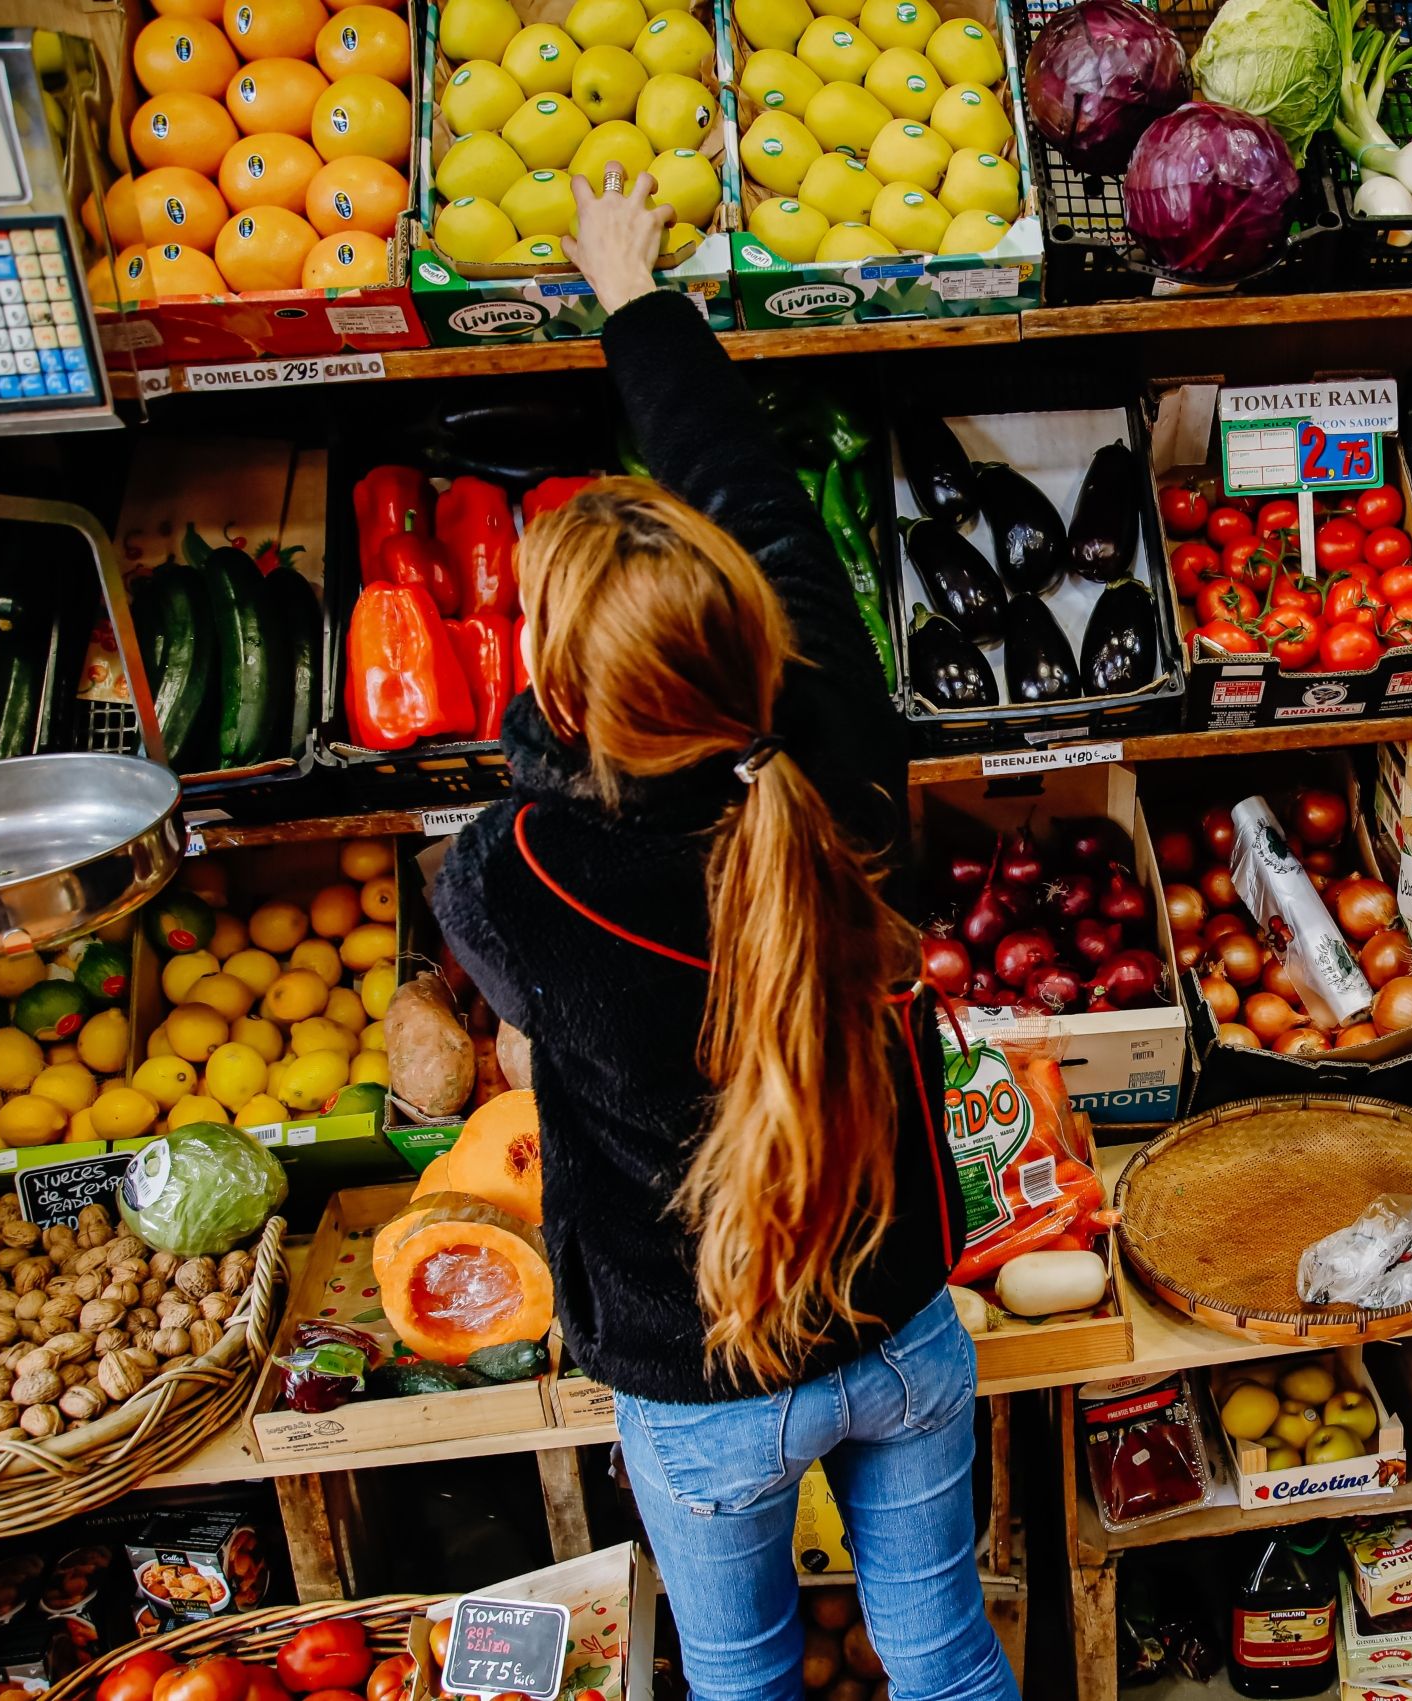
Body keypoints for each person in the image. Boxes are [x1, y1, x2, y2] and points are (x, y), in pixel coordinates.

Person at [432, 164, 1018, 1701]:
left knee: (745, 1678)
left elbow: (507, 968)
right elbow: (743, 479)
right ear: (753, 626)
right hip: (901, 1329)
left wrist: (550, 737)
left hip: (704, 1386)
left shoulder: (518, 876)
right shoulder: (835, 744)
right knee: (945, 1650)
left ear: (567, 702)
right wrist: (638, 296)